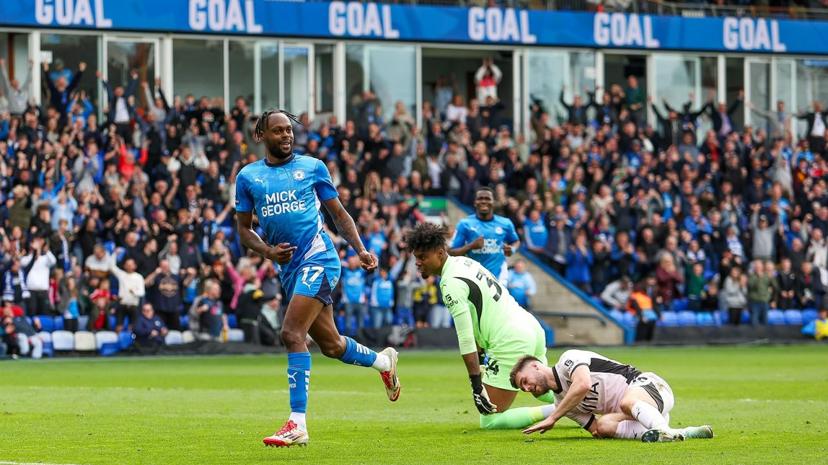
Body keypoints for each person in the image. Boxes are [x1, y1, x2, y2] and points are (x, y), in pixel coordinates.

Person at [235, 109, 400, 448]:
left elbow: (338, 214)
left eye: (289, 130)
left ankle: (297, 423)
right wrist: (268, 252)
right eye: (278, 131)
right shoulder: (248, 177)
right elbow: (243, 229)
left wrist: (361, 249)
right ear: (260, 136)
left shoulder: (312, 168)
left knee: (291, 332)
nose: (286, 136)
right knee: (332, 346)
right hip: (289, 269)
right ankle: (385, 361)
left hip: (320, 259)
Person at [406, 222, 554, 430]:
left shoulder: (450, 283)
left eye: (422, 257)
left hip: (509, 339)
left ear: (440, 253)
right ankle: (587, 399)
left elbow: (465, 337)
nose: (418, 263)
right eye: (416, 258)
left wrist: (476, 384)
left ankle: (562, 410)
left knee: (490, 419)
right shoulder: (465, 263)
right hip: (529, 325)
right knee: (545, 386)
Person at [511, 350, 714, 442]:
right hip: (641, 415)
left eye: (525, 381)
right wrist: (598, 429)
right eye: (524, 389)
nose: (528, 389)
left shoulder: (568, 360)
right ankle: (681, 433)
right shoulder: (563, 404)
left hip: (652, 387)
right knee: (604, 426)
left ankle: (661, 429)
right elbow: (595, 430)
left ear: (536, 366)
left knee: (627, 402)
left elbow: (583, 384)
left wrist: (554, 417)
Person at [449, 187, 520, 282]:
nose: (483, 201)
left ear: (493, 202)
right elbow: (451, 252)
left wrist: (512, 249)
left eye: (487, 199)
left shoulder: (505, 223)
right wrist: (470, 246)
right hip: (474, 278)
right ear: (475, 202)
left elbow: (515, 241)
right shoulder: (465, 224)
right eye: (480, 198)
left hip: (498, 277)